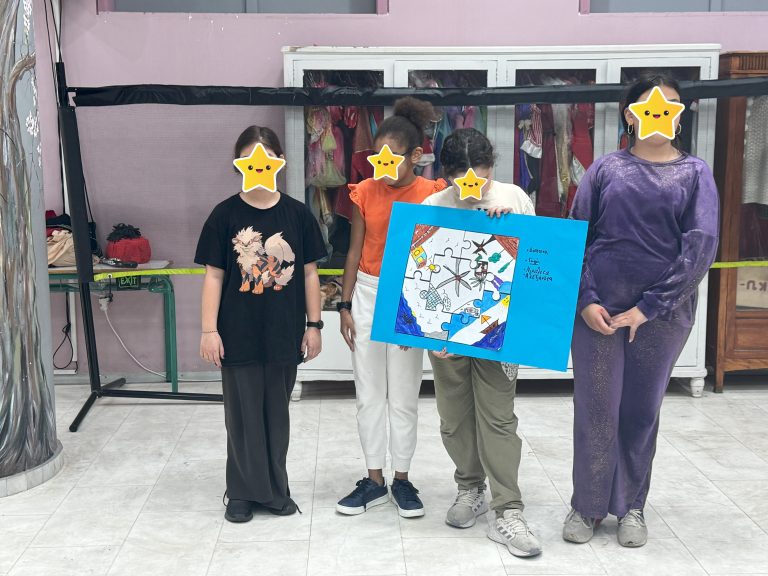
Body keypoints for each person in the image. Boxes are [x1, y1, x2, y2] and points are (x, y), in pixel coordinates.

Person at [563, 75, 719, 547]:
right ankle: (587, 505)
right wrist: (586, 300)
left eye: (671, 104)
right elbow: (576, 235)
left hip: (662, 315)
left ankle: (631, 505)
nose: (660, 111)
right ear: (630, 114)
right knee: (596, 408)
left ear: (680, 116)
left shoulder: (695, 173)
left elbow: (700, 248)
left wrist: (648, 308)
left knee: (640, 411)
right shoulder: (605, 169)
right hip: (598, 313)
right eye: (650, 104)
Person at [196, 126, 326, 523]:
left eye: (266, 159)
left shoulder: (297, 214)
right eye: (251, 160)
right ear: (239, 164)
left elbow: (309, 274)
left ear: (279, 162)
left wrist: (315, 325)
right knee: (242, 417)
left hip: (283, 334)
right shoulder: (224, 215)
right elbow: (214, 276)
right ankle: (241, 491)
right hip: (236, 334)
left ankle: (274, 490)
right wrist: (208, 330)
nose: (259, 167)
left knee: (276, 416)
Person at [423, 128, 542, 557]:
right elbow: (421, 272)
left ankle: (508, 507)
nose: (473, 185)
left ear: (492, 166)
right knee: (454, 416)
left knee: (497, 418)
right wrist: (420, 329)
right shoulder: (434, 205)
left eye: (481, 174)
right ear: (445, 174)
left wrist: (512, 229)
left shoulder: (514, 197)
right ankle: (469, 487)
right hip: (446, 332)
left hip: (499, 333)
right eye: (461, 178)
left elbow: (538, 263)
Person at [336, 97, 446, 518]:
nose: (382, 166)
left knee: (403, 394)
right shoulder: (364, 191)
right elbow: (354, 250)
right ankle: (374, 479)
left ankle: (402, 478)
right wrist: (344, 305)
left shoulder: (433, 194)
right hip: (367, 292)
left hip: (410, 298)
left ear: (416, 156)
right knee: (369, 394)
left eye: (391, 158)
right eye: (377, 158)